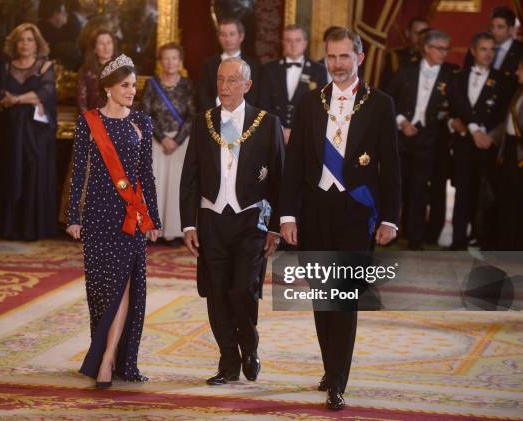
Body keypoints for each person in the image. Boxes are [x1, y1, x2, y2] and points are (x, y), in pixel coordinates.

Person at [280, 27, 400, 410]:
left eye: (344, 56)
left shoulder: (380, 104)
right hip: (315, 211)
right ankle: (331, 367)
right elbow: (295, 164)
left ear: (359, 58)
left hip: (355, 213)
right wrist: (287, 215)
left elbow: (392, 169)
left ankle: (337, 381)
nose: (337, 64)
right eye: (331, 57)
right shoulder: (310, 103)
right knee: (321, 297)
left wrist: (391, 219)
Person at [180, 57, 284, 386]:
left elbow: (280, 179)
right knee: (217, 292)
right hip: (211, 219)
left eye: (233, 80)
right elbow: (190, 177)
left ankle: (249, 348)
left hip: (251, 221)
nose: (224, 87)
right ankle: (228, 361)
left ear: (247, 85)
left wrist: (276, 226)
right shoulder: (203, 122)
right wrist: (188, 224)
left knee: (242, 289)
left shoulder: (267, 123)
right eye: (221, 80)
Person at [66, 54, 161, 388]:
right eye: (125, 85)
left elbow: (146, 175)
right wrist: (73, 217)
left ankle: (108, 362)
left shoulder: (142, 123)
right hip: (96, 216)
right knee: (102, 291)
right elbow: (78, 172)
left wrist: (154, 219)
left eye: (134, 85)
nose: (132, 91)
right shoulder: (88, 122)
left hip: (129, 218)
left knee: (123, 289)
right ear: (107, 88)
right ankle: (106, 354)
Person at [386, 29, 457, 250]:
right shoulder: (406, 69)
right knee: (397, 188)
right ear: (427, 48)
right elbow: (387, 98)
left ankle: (415, 238)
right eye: (440, 49)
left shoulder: (451, 74)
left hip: (430, 139)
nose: (444, 54)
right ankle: (390, 234)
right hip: (402, 137)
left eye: (447, 49)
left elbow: (456, 105)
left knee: (419, 189)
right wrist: (401, 121)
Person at [0, 23, 57, 241]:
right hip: (11, 131)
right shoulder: (5, 66)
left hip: (35, 132)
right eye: (21, 39)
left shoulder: (44, 66)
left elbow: (45, 93)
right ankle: (11, 228)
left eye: (30, 40)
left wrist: (17, 99)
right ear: (15, 43)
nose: (25, 44)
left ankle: (31, 229)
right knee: (12, 173)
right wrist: (19, 100)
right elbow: (0, 95)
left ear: (37, 43)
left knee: (33, 174)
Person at [449, 32, 511, 250]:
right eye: (484, 49)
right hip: (465, 142)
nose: (488, 54)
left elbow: (502, 113)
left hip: (487, 144)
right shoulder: (459, 76)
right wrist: (473, 129)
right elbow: (457, 105)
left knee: (483, 194)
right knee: (463, 191)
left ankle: (482, 238)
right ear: (473, 51)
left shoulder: (503, 80)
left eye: (492, 49)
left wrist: (485, 134)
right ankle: (457, 241)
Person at [59, 28, 117, 224]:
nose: (105, 47)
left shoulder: (122, 69)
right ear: (94, 48)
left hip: (117, 126)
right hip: (93, 127)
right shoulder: (86, 71)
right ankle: (83, 221)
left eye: (109, 43)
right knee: (87, 177)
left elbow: (128, 98)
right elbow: (82, 102)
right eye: (101, 43)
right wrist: (94, 127)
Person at [142, 42, 195, 245]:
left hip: (181, 142)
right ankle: (153, 230)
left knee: (176, 188)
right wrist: (162, 138)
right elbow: (146, 114)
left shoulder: (188, 85)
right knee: (155, 186)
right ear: (160, 61)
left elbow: (192, 115)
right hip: (157, 142)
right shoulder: (152, 84)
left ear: (180, 61)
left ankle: (173, 232)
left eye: (174, 58)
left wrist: (177, 140)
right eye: (166, 58)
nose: (170, 62)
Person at [259, 24, 327, 144]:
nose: (293, 44)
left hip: (306, 136)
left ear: (305, 43)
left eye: (297, 40)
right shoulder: (269, 69)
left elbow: (320, 107)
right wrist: (280, 130)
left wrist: (297, 131)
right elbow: (263, 104)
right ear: (283, 42)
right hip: (273, 135)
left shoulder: (319, 71)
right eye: (288, 40)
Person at [489, 56, 523, 249]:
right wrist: (490, 137)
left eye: (520, 69)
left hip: (519, 153)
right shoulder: (518, 92)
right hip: (509, 150)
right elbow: (507, 124)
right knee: (507, 199)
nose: (517, 73)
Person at [197, 18, 261, 111]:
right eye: (223, 35)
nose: (227, 39)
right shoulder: (208, 64)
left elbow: (255, 94)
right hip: (213, 116)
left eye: (232, 34)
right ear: (218, 37)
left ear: (241, 36)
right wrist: (213, 114)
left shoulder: (254, 65)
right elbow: (203, 94)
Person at [465, 6, 522, 84]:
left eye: (500, 27)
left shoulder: (520, 51)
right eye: (492, 26)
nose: (494, 31)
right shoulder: (477, 47)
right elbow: (466, 76)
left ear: (511, 29)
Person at [380, 18, 429, 89]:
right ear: (407, 33)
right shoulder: (395, 56)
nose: (421, 38)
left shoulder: (433, 58)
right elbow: (387, 86)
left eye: (425, 34)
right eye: (417, 33)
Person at [37, 0, 80, 70]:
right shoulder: (43, 32)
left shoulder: (67, 28)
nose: (66, 14)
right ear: (55, 14)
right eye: (63, 12)